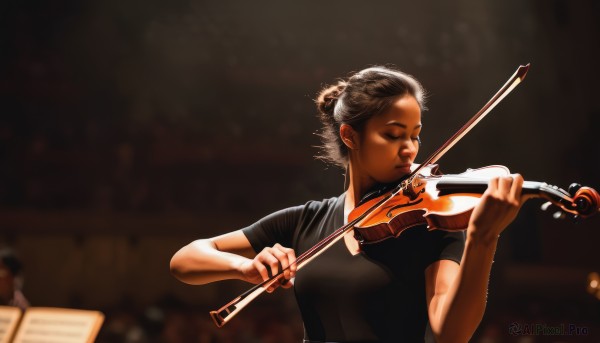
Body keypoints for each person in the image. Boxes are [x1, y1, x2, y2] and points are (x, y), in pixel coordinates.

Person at [170, 66, 524, 343]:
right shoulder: (307, 221)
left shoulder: (431, 225)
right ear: (350, 135)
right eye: (393, 134)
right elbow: (185, 260)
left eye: (415, 135)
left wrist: (483, 240)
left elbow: (451, 335)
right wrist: (245, 268)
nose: (411, 149)